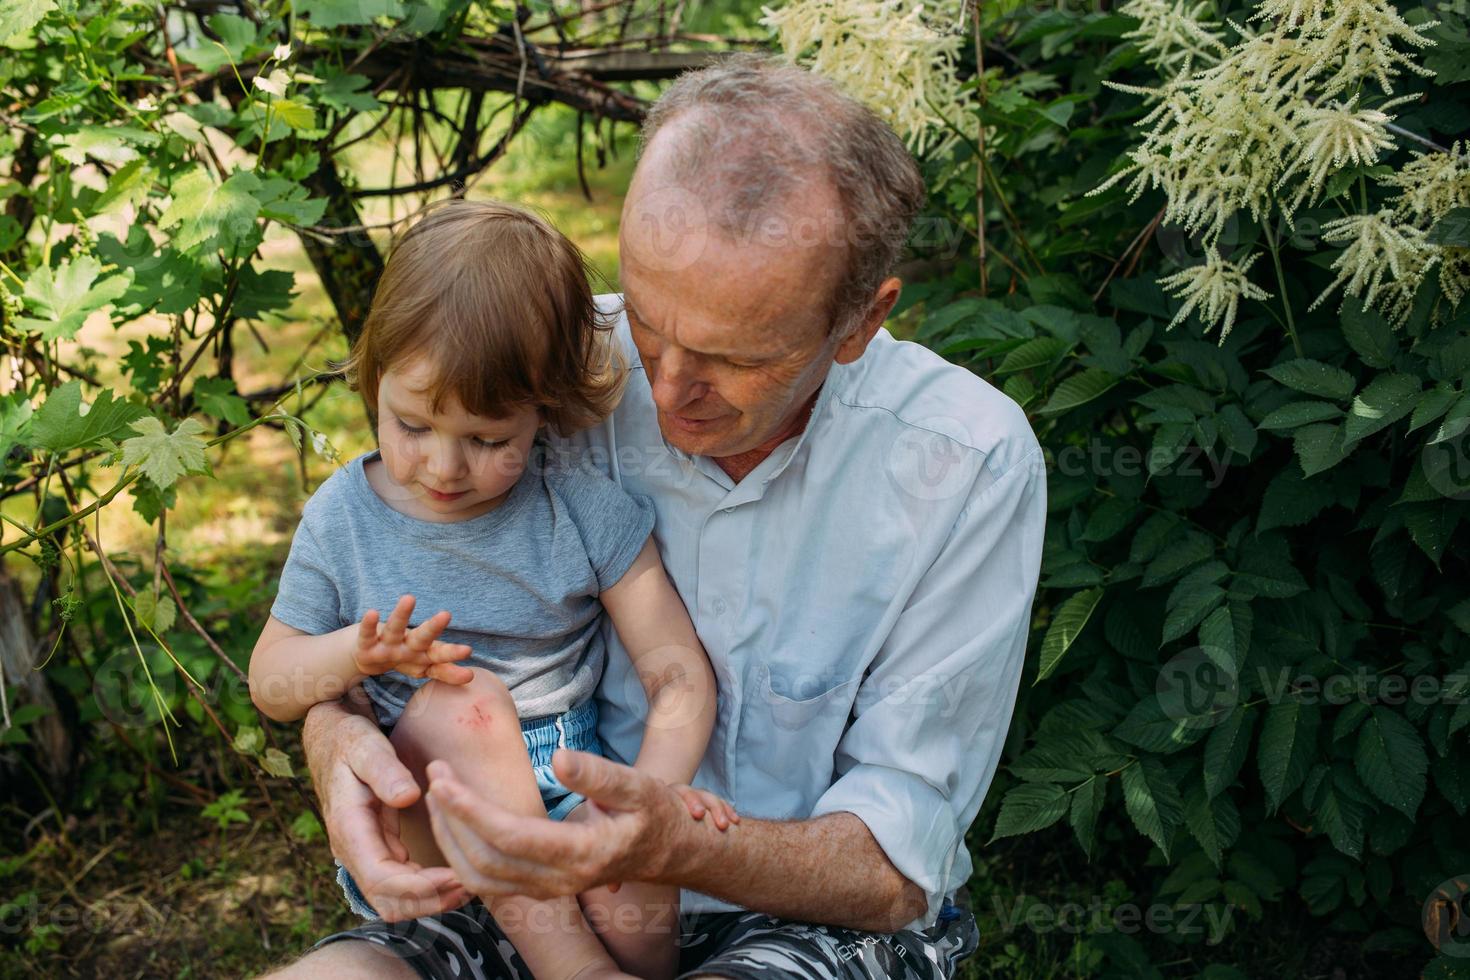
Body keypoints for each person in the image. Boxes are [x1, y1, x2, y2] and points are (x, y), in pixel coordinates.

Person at [264, 55, 1045, 980]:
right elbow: (370, 606)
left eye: (735, 356)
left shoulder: (964, 464)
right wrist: (336, 733)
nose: (666, 389)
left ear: (860, 323)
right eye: (644, 318)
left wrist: (663, 843)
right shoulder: (536, 374)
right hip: (527, 885)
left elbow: (892, 866)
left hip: (811, 918)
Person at [248, 199, 734, 980]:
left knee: (636, 863)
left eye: (487, 440)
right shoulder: (343, 516)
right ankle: (574, 968)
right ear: (373, 380)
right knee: (467, 700)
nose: (443, 468)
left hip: (563, 785)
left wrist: (650, 797)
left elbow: (676, 671)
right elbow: (271, 681)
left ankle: (637, 964)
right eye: (411, 425)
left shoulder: (577, 505)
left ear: (547, 412)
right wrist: (354, 652)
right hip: (428, 805)